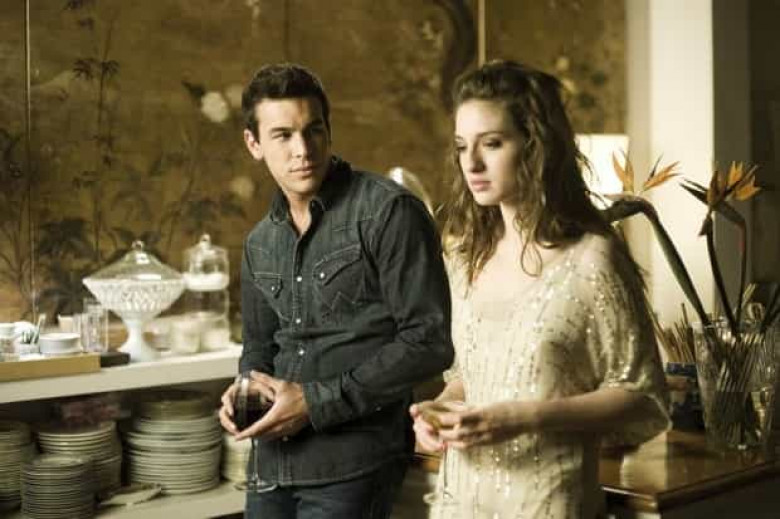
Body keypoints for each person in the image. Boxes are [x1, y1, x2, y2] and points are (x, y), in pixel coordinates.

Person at [410, 60, 670, 519]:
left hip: (547, 503)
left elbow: (641, 397)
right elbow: (472, 374)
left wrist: (522, 417)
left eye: (492, 143)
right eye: (462, 146)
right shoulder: (465, 257)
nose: (471, 163)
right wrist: (441, 411)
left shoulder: (592, 258)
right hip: (459, 501)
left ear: (535, 146)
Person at [218, 63, 454, 519]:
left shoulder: (389, 212)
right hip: (271, 464)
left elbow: (429, 341)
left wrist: (315, 403)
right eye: (283, 135)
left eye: (314, 130)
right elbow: (259, 349)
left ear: (328, 131)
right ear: (254, 144)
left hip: (354, 464)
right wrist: (243, 390)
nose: (303, 150)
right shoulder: (259, 243)